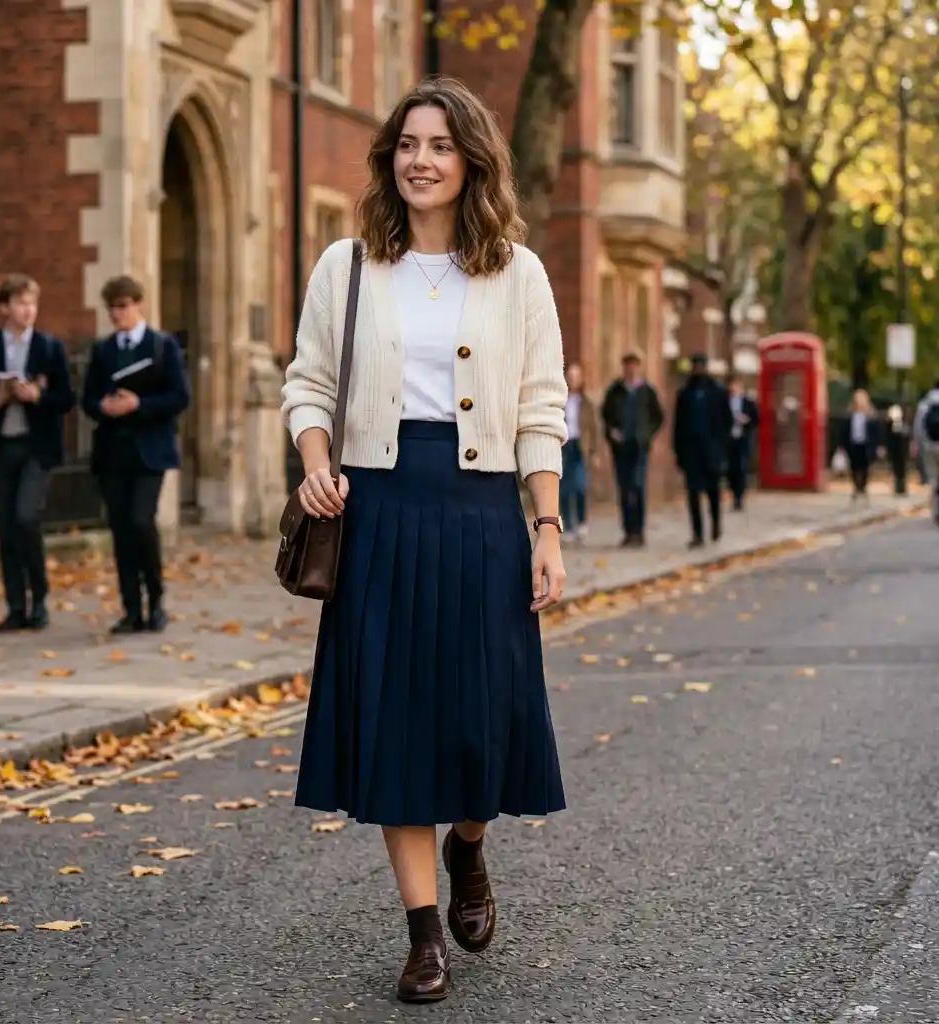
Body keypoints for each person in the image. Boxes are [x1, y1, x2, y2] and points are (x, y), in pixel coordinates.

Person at [281, 77, 568, 1004]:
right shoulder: (347, 266)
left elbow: (541, 409)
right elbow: (308, 385)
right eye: (408, 144)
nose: (421, 160)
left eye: (440, 145)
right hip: (379, 513)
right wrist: (315, 463)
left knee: (484, 721)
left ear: (472, 160)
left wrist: (547, 525)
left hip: (482, 515)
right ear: (389, 158)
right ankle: (422, 935)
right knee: (395, 724)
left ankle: (469, 844)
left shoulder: (518, 273)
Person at [0, 274, 75, 631]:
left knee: (26, 517)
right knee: (6, 527)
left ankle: (39, 598)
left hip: (36, 447)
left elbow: (67, 399)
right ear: (4, 308)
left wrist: (37, 396)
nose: (28, 310)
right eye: (21, 303)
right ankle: (16, 606)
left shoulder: (50, 348)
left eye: (32, 303)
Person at [81, 276, 190, 634]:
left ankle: (155, 601)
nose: (118, 314)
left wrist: (139, 404)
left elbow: (179, 396)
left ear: (138, 304)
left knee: (141, 521)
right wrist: (103, 406)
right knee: (121, 529)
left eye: (123, 306)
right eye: (112, 308)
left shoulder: (162, 346)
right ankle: (131, 608)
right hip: (112, 452)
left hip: (150, 451)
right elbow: (88, 399)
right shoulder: (103, 350)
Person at [600, 352, 664, 547]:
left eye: (634, 366)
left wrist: (647, 434)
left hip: (639, 447)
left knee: (638, 486)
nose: (631, 369)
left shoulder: (647, 391)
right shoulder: (615, 391)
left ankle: (639, 530)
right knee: (625, 488)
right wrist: (612, 433)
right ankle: (628, 531)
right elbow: (605, 416)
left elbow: (658, 417)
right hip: (621, 448)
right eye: (628, 366)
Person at [672, 353, 731, 549]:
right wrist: (678, 451)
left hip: (712, 451)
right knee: (693, 494)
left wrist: (722, 449)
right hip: (691, 451)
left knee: (713, 491)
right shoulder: (684, 393)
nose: (698, 369)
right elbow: (678, 425)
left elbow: (726, 422)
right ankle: (697, 534)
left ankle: (716, 525)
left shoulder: (718, 392)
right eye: (695, 366)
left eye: (701, 366)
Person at [560, 362, 601, 542]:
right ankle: (568, 526)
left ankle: (582, 522)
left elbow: (594, 429)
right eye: (570, 377)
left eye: (576, 377)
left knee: (580, 487)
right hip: (564, 446)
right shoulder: (559, 401)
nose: (572, 380)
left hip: (580, 446)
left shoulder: (587, 403)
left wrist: (595, 452)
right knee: (564, 489)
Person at [725, 373, 760, 511]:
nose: (734, 387)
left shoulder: (748, 402)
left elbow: (756, 419)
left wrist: (747, 421)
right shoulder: (724, 401)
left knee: (741, 468)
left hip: (743, 439)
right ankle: (733, 492)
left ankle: (738, 498)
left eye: (736, 385)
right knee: (730, 469)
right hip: (729, 439)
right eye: (732, 384)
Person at [840, 388, 881, 501]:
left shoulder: (870, 416)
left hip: (866, 444)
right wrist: (842, 445)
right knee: (854, 466)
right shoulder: (850, 415)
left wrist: (879, 445)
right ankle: (856, 486)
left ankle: (862, 486)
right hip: (853, 443)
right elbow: (844, 431)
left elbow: (876, 432)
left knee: (865, 466)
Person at [912, 380, 939, 520]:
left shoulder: (925, 403)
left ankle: (936, 509)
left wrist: (916, 444)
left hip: (929, 445)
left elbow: (918, 426)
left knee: (934, 478)